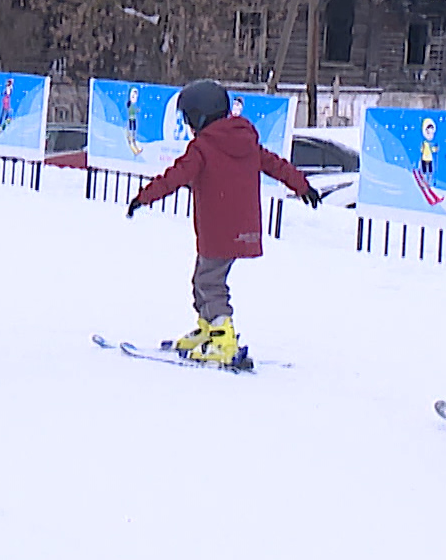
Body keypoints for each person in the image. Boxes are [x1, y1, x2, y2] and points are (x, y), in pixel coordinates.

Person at [125, 79, 319, 367]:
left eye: (189, 119)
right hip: (244, 229)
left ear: (200, 116)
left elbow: (175, 177)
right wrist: (302, 186)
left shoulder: (203, 147)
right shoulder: (246, 142)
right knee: (202, 279)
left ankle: (223, 337)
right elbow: (276, 165)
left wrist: (143, 197)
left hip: (218, 230)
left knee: (210, 282)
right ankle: (208, 329)